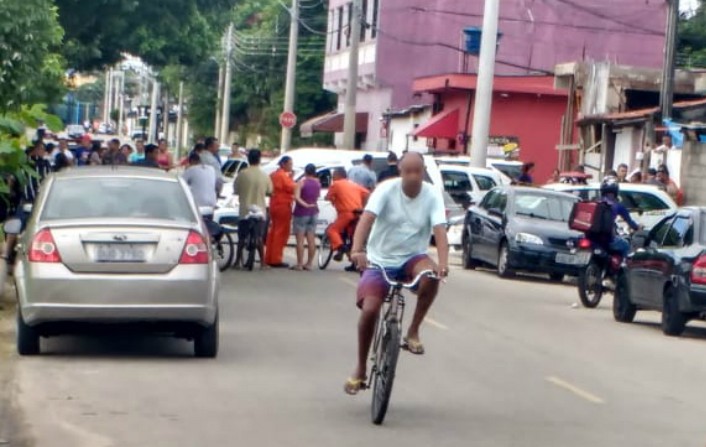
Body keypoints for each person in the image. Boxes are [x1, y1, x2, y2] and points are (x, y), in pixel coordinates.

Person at [344, 152, 449, 395]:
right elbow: (366, 220)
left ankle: (413, 330)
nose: (413, 176)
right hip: (380, 259)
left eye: (418, 171)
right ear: (400, 172)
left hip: (413, 258)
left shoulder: (432, 195)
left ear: (423, 172)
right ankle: (360, 368)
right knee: (370, 309)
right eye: (408, 171)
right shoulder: (385, 190)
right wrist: (357, 250)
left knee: (432, 276)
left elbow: (440, 230)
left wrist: (443, 263)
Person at [234, 149, 272, 270]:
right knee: (259, 237)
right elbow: (270, 191)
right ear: (259, 160)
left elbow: (236, 190)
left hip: (245, 210)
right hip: (260, 211)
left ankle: (236, 262)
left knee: (241, 238)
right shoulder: (264, 175)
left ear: (248, 159)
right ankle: (262, 262)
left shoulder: (242, 174)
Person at [325, 168, 370, 262]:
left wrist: (332, 199)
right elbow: (367, 193)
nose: (333, 178)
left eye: (333, 176)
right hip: (357, 213)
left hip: (346, 213)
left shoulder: (336, 184)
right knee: (351, 235)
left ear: (337, 176)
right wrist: (363, 205)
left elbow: (328, 197)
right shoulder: (354, 184)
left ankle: (340, 247)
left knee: (332, 230)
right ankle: (352, 259)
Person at [265, 156, 296, 268]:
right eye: (290, 164)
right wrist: (293, 179)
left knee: (273, 232)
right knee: (281, 233)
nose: (291, 166)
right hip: (283, 205)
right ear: (283, 164)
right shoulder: (282, 176)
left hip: (274, 205)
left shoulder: (273, 174)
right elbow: (292, 187)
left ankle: (269, 257)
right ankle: (276, 259)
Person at [599, 176, 640, 258]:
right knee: (626, 245)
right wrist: (637, 228)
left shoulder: (596, 202)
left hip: (593, 238)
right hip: (608, 240)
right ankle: (623, 267)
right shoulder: (618, 206)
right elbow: (630, 222)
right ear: (616, 191)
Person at [292, 163, 321, 271]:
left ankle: (299, 264)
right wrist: (311, 205)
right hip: (314, 211)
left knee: (300, 240)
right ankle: (309, 263)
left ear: (305, 171)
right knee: (311, 238)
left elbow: (297, 197)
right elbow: (317, 196)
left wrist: (305, 205)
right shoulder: (318, 183)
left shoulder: (301, 183)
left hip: (301, 212)